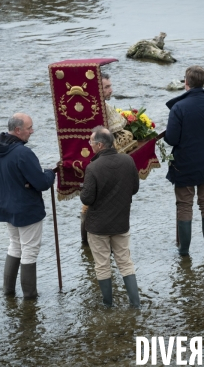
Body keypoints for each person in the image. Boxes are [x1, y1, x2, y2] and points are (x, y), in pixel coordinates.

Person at [0, 113, 56, 299]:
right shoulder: (23, 153)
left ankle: (8, 291)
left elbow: (13, 173)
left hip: (5, 205)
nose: (32, 131)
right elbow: (42, 183)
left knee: (15, 246)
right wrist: (50, 173)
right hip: (25, 208)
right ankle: (30, 296)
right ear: (17, 130)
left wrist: (26, 181)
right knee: (30, 250)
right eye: (29, 128)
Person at [164, 65, 204, 256]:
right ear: (203, 82)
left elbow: (172, 139)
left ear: (186, 83)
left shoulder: (179, 107)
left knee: (184, 205)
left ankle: (184, 251)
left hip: (185, 164)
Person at [80, 126, 141, 307]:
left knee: (102, 265)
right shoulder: (128, 160)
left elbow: (87, 198)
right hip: (121, 222)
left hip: (98, 226)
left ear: (99, 145)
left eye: (91, 142)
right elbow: (135, 189)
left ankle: (108, 305)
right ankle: (135, 304)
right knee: (125, 262)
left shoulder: (93, 167)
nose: (90, 145)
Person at [79, 73, 128, 245]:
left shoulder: (84, 107)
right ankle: (98, 243)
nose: (111, 90)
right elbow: (121, 128)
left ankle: (86, 247)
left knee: (89, 204)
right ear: (97, 89)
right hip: (103, 165)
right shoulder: (102, 108)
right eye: (106, 87)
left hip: (84, 161)